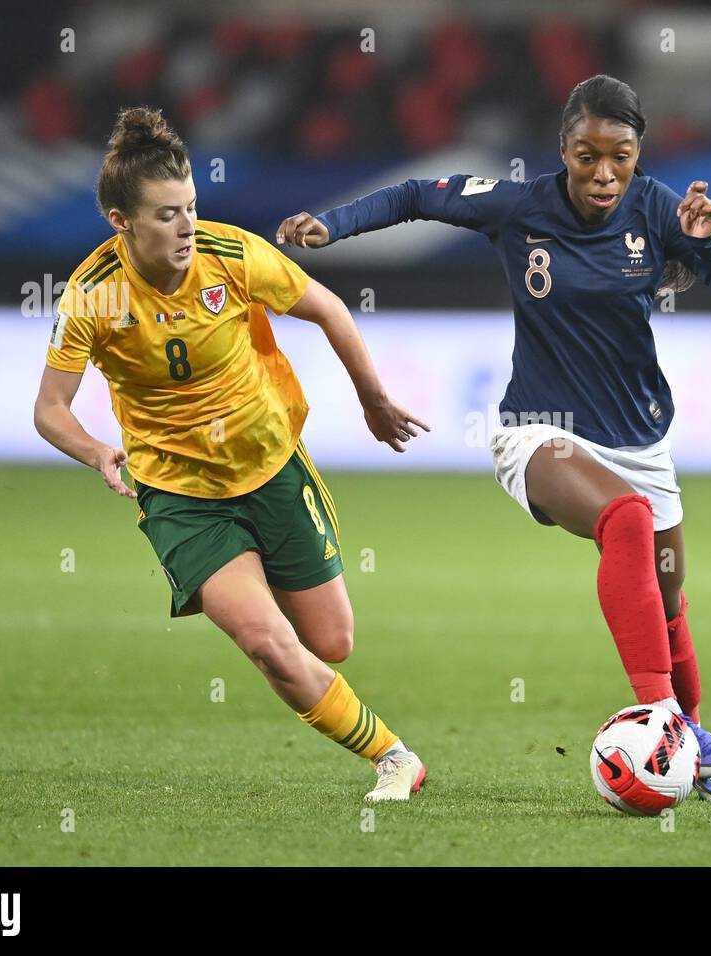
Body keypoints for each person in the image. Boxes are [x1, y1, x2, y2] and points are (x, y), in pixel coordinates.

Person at [276, 74, 711, 804]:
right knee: (624, 518)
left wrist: (709, 244)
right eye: (586, 156)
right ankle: (663, 716)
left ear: (640, 154)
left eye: (621, 156)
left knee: (667, 608)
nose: (604, 174)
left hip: (640, 440)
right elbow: (417, 195)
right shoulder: (520, 205)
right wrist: (332, 226)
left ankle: (689, 748)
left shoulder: (661, 209)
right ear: (562, 151)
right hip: (541, 432)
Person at [33, 107, 430, 801]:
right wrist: (96, 451)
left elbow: (330, 308)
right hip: (179, 494)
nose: (186, 225)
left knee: (331, 643)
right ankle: (395, 758)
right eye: (165, 215)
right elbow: (49, 410)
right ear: (121, 222)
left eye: (190, 207)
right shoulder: (93, 296)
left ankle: (262, 592)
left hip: (270, 463)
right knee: (269, 644)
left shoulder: (232, 254)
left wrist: (373, 399)